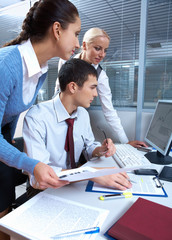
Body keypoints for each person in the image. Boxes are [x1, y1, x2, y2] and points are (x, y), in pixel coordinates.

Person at [0, 0, 81, 235]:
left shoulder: (41, 70)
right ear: (57, 30)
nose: (77, 42)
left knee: (6, 188)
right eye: (75, 33)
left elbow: (13, 108)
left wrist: (10, 139)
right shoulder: (6, 64)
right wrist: (29, 163)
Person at [23, 58, 132, 196]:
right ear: (73, 87)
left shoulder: (82, 114)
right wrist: (91, 174)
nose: (96, 94)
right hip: (44, 190)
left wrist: (100, 149)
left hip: (73, 184)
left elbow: (89, 147)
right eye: (92, 87)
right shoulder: (37, 117)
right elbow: (40, 177)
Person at [55, 28, 147, 148]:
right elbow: (58, 88)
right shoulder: (65, 60)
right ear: (84, 45)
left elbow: (109, 111)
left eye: (105, 50)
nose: (102, 54)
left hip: (76, 118)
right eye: (98, 48)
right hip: (57, 113)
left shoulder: (101, 76)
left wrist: (126, 142)